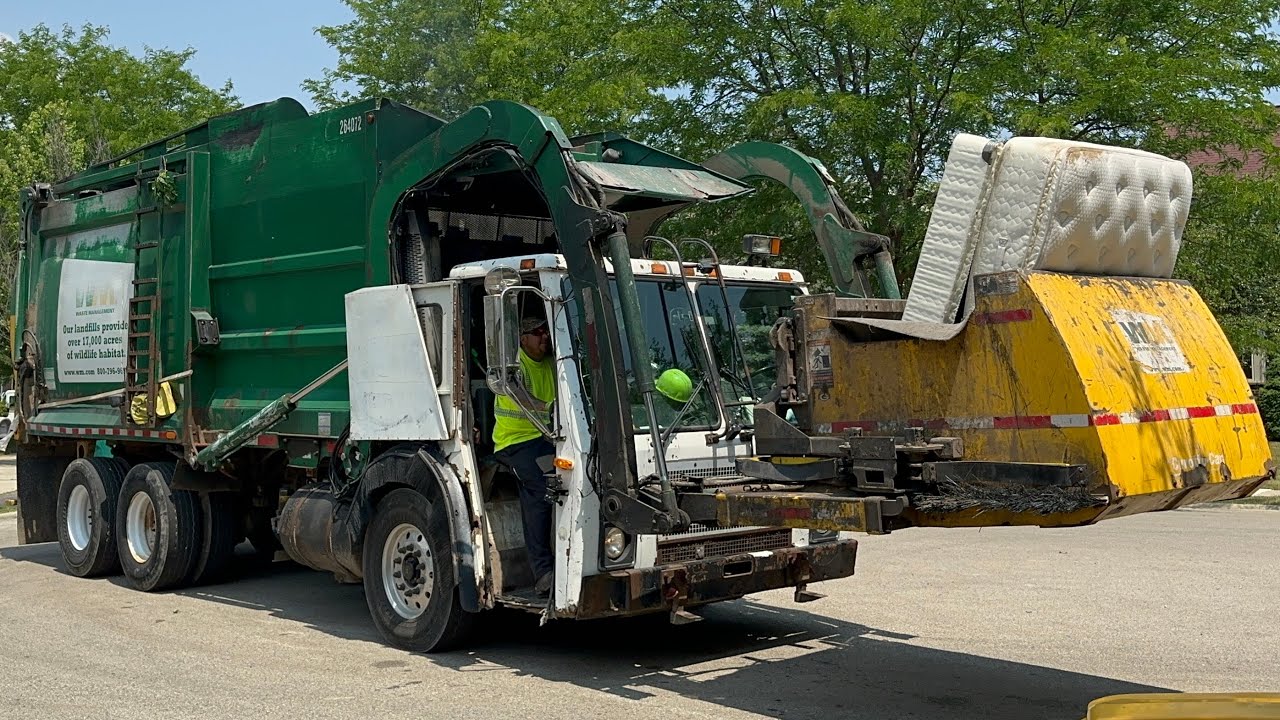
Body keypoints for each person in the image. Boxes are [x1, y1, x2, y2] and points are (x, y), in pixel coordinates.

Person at [492, 315, 557, 595]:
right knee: (542, 489)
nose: (544, 337)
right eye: (537, 332)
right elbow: (525, 400)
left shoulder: (555, 362)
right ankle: (543, 572)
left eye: (546, 331)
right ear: (522, 338)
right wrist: (551, 409)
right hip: (515, 443)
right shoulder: (511, 365)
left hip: (547, 438)